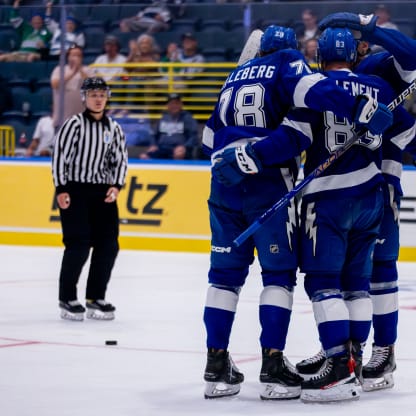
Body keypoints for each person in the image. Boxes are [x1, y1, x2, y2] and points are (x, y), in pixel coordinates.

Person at [200, 25, 393, 400]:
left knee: (222, 279)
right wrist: (359, 108)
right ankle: (273, 367)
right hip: (269, 184)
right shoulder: (288, 65)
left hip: (222, 186)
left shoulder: (232, 77)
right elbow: (302, 126)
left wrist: (235, 153)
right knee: (278, 278)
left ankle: (215, 364)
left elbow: (209, 140)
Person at [295, 11, 416, 392]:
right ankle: (346, 351)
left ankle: (384, 349)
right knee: (351, 275)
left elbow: (412, 59)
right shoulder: (361, 73)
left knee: (379, 267)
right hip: (360, 182)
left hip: (379, 181)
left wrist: (373, 27)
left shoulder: (381, 62)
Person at [52, 77, 128, 321]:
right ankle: (67, 298)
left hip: (103, 194)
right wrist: (61, 189)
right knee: (78, 245)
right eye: (93, 94)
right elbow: (60, 156)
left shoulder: (113, 128)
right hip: (75, 191)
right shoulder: (73, 124)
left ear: (107, 98)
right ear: (84, 97)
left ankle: (95, 297)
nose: (98, 99)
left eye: (102, 94)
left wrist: (116, 186)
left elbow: (120, 159)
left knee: (109, 245)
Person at [140, 93, 198, 160]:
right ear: (167, 105)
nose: (174, 106)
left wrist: (184, 147)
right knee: (144, 157)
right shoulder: (163, 118)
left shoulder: (187, 118)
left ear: (181, 105)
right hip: (162, 148)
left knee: (179, 155)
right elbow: (154, 134)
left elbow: (193, 137)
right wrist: (153, 145)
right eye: (172, 103)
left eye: (176, 103)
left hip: (178, 149)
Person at [50, 44, 93, 129]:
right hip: (62, 120)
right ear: (68, 57)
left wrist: (80, 69)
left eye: (79, 55)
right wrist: (73, 72)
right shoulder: (59, 69)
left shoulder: (88, 70)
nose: (76, 58)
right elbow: (54, 84)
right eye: (73, 55)